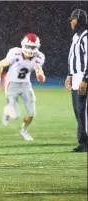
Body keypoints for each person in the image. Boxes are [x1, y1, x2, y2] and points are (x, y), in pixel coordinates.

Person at [0, 33, 46, 141]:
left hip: (26, 84)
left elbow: (39, 72)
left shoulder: (39, 57)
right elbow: (0, 65)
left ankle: (24, 130)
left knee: (32, 113)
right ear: (23, 45)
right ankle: (6, 111)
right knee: (15, 115)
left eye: (33, 47)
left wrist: (40, 76)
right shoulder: (15, 53)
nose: (30, 49)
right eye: (28, 46)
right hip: (12, 83)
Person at [65, 9, 88, 152]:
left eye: (73, 20)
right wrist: (69, 75)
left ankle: (85, 142)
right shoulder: (76, 37)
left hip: (83, 76)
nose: (71, 23)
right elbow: (72, 58)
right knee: (78, 111)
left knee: (84, 111)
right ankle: (83, 141)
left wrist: (85, 79)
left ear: (79, 20)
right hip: (76, 76)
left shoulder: (86, 36)